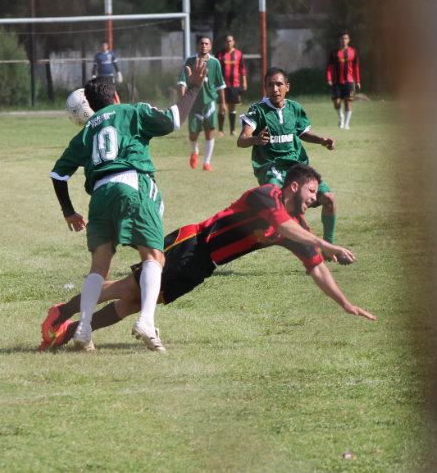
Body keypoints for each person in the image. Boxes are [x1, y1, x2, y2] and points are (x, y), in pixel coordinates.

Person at [40, 163, 375, 351]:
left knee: (132, 303)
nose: (314, 200)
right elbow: (285, 227)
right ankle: (63, 314)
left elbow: (316, 268)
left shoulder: (296, 227)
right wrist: (327, 244)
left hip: (204, 266)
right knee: (125, 289)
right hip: (192, 243)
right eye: (311, 192)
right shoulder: (266, 195)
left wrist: (345, 303)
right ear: (292, 187)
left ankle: (70, 333)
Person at [50, 59, 207, 352]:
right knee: (153, 257)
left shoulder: (86, 131)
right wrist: (194, 88)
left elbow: (58, 174)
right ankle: (146, 320)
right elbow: (174, 119)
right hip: (132, 185)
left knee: (99, 268)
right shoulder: (132, 111)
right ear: (116, 98)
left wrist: (69, 211)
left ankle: (84, 327)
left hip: (99, 195)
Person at [237, 67, 341, 246]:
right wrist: (256, 139)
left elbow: (302, 133)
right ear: (265, 88)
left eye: (279, 84)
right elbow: (241, 140)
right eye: (270, 85)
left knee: (329, 199)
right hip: (272, 167)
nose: (275, 89)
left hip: (297, 168)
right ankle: (253, 234)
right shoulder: (258, 110)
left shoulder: (294, 108)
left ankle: (328, 244)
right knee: (277, 205)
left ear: (287, 86)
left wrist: (321, 140)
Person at [177, 35, 226, 171]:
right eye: (201, 43)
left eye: (206, 43)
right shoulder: (190, 60)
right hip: (193, 103)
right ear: (198, 46)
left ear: (210, 47)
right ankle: (195, 151)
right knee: (193, 134)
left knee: (209, 132)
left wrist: (223, 104)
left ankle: (206, 162)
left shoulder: (215, 62)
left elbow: (220, 85)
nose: (204, 46)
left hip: (210, 102)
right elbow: (182, 82)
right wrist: (183, 100)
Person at [327, 30, 361, 129]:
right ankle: (341, 117)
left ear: (349, 40)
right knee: (336, 103)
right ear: (339, 40)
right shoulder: (334, 53)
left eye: (346, 38)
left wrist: (358, 81)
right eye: (342, 38)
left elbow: (356, 67)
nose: (344, 40)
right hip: (337, 82)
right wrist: (329, 78)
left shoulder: (353, 52)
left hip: (349, 82)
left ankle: (346, 125)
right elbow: (329, 67)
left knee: (348, 102)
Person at [216, 34, 247, 137]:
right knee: (221, 107)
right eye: (227, 41)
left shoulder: (238, 54)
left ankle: (232, 130)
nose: (228, 43)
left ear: (233, 42)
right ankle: (220, 131)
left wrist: (244, 81)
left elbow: (242, 69)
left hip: (235, 85)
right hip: (222, 86)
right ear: (224, 43)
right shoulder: (219, 54)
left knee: (232, 108)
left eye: (230, 41)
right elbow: (216, 69)